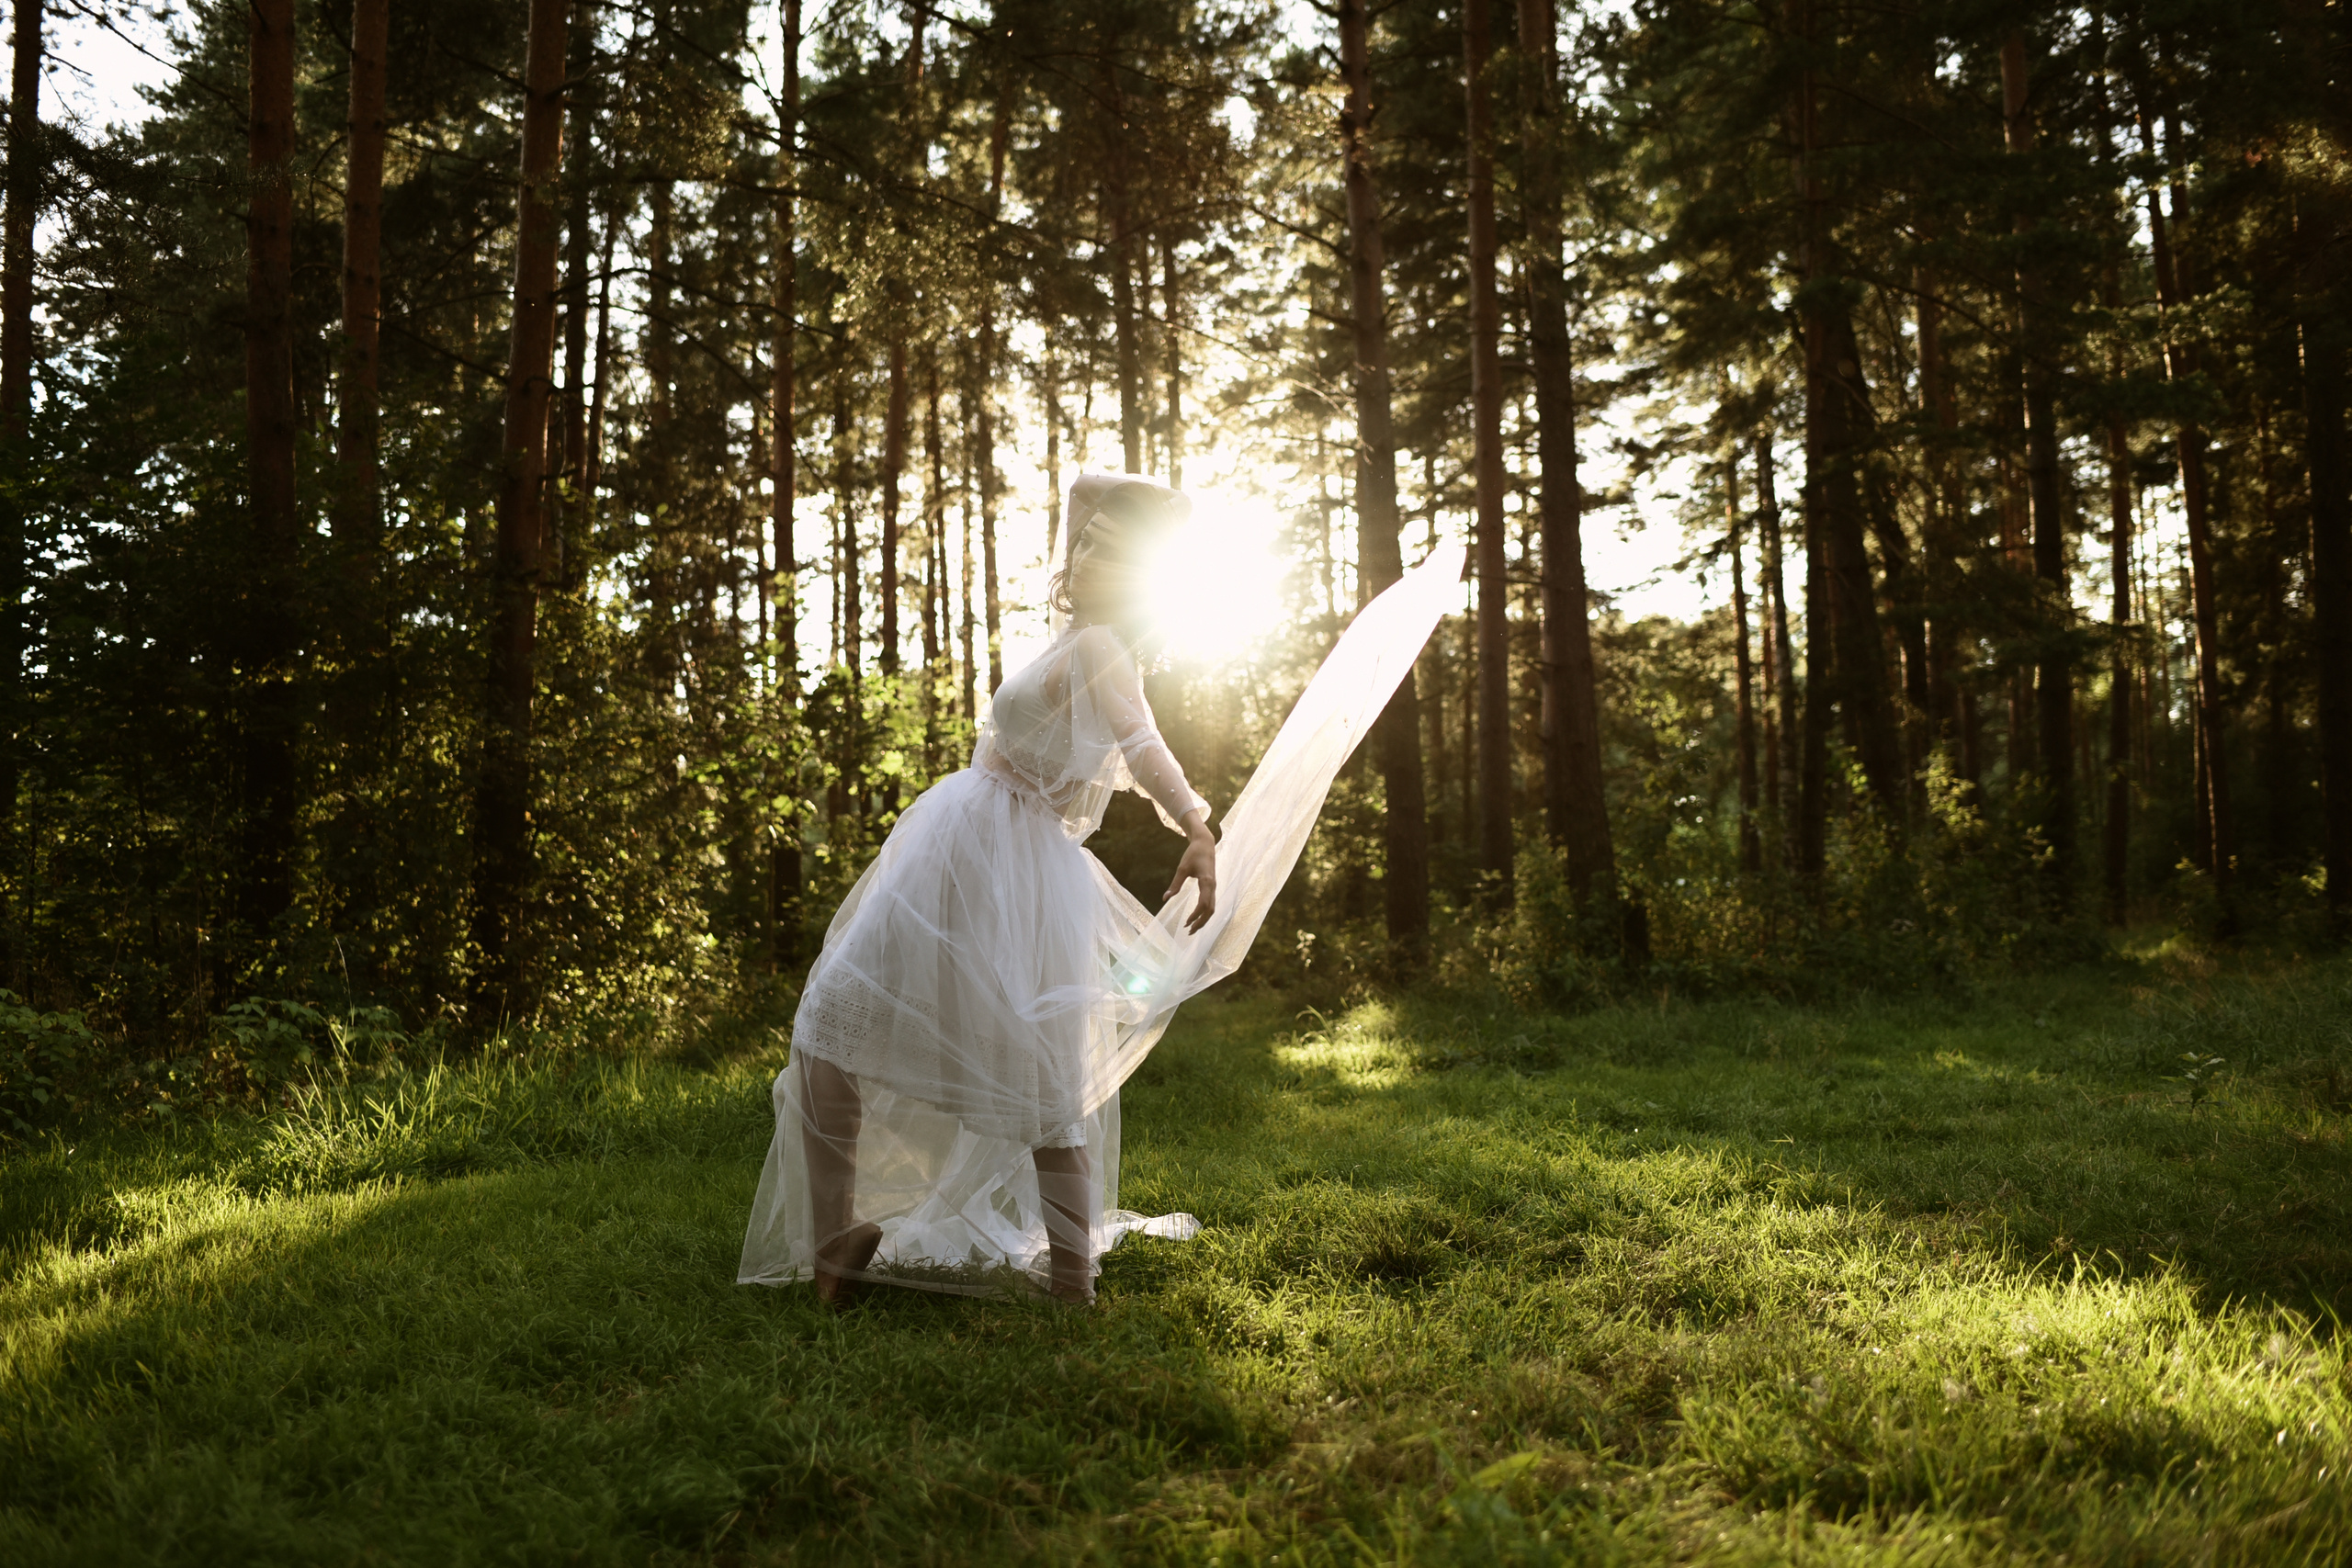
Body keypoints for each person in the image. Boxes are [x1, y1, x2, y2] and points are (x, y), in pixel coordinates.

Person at [741, 472, 1463, 1308]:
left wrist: (1197, 826)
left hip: (1005, 862)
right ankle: (838, 1249)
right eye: (1082, 540)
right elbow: (1086, 490)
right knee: (833, 1025)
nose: (1083, 552)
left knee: (1035, 1079)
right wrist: (1135, 519)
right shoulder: (1071, 637)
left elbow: (1145, 745)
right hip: (959, 847)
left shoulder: (1100, 649)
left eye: (1105, 550)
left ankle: (1071, 1277)